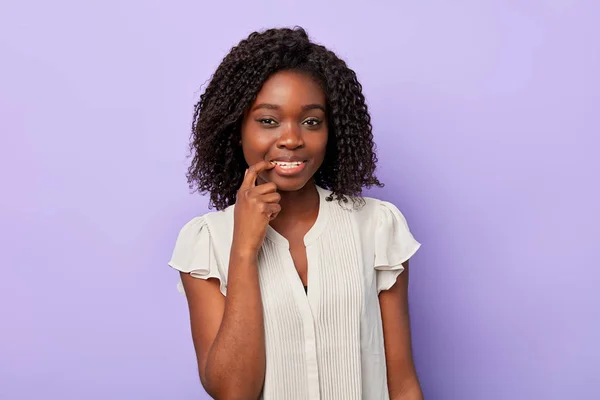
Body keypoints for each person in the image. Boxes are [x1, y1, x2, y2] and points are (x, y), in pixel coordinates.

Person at [168, 27, 423, 400]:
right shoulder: (205, 243)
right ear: (236, 130)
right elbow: (232, 392)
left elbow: (401, 383)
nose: (291, 139)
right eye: (268, 120)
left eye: (311, 121)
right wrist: (243, 251)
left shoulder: (378, 226)